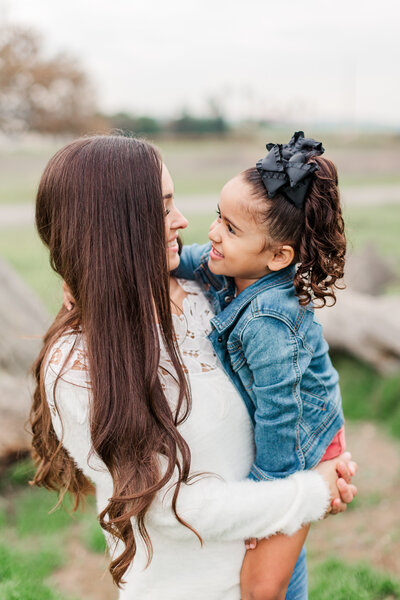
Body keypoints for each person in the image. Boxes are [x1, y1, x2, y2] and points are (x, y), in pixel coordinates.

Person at [31, 135, 356, 600]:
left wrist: (311, 479)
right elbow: (166, 506)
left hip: (276, 554)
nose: (184, 222)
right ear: (113, 228)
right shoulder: (78, 365)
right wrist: (310, 494)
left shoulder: (217, 295)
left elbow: (291, 393)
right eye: (164, 209)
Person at [175, 131, 348, 599]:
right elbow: (187, 260)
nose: (213, 233)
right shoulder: (236, 264)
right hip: (293, 428)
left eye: (231, 229)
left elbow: (280, 412)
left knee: (265, 584)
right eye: (218, 216)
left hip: (301, 437)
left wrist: (266, 499)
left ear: (278, 256)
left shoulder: (271, 318)